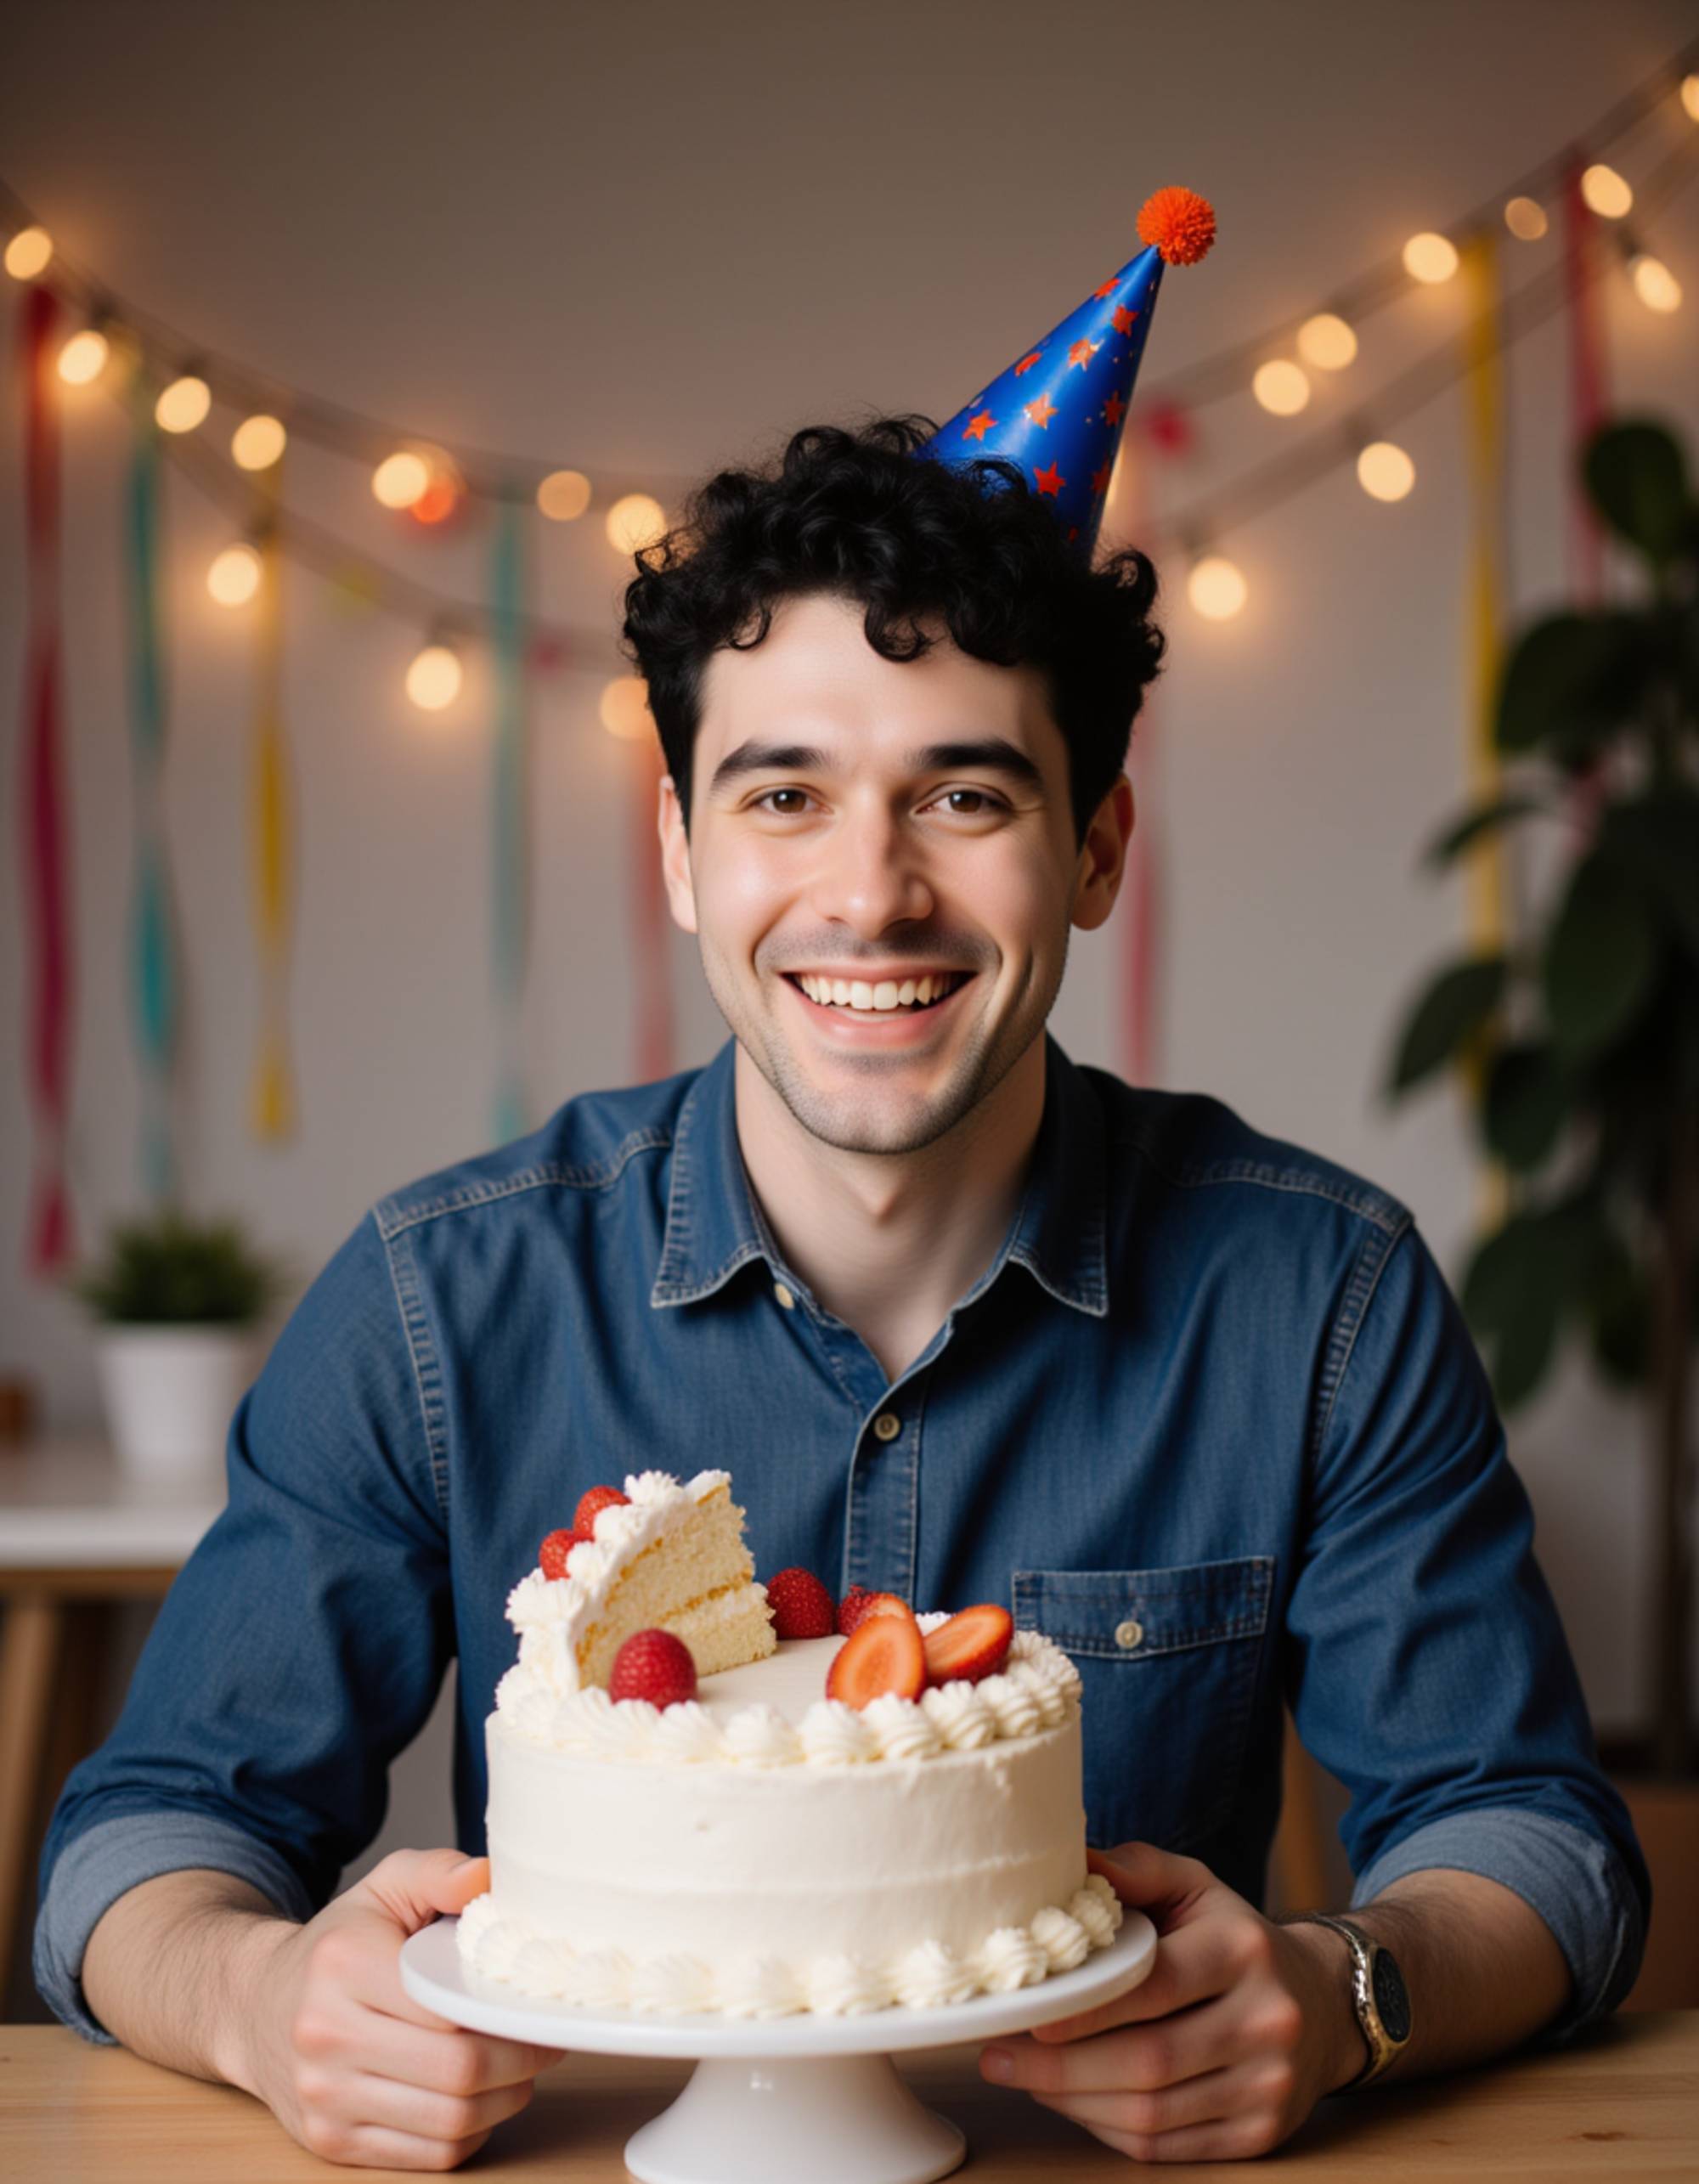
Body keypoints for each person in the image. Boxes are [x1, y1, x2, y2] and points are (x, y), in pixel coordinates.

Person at [36, 416, 1649, 2169]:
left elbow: (1530, 1835)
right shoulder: (442, 1297)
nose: (869, 894)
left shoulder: (1317, 1294)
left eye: (965, 794)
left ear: (1095, 847)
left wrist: (1345, 1995)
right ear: (678, 847)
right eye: (783, 793)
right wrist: (255, 1997)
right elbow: (149, 1837)